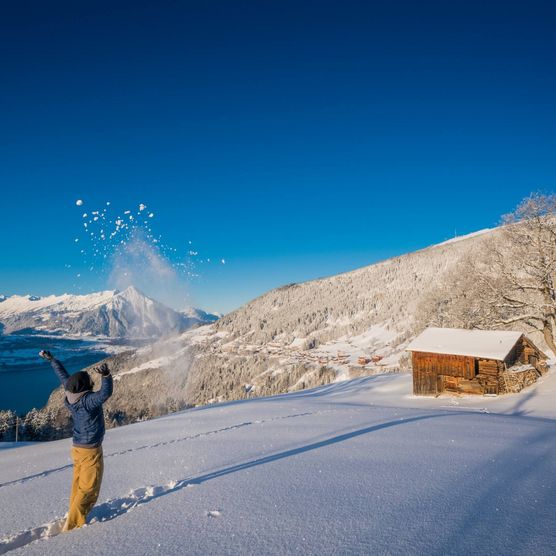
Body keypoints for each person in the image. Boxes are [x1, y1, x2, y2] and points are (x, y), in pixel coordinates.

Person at [39, 350, 113, 531]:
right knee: (89, 488)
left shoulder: (71, 395)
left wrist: (53, 360)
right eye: (89, 381)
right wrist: (106, 376)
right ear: (85, 387)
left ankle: (73, 513)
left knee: (78, 483)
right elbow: (105, 394)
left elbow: (64, 376)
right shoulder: (88, 401)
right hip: (90, 451)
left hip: (78, 448)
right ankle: (72, 525)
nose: (91, 382)